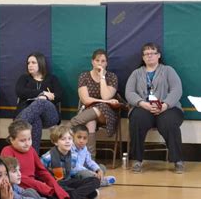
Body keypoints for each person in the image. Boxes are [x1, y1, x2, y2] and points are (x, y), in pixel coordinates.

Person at [125, 42, 185, 174]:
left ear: (158, 55)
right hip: (144, 108)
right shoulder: (136, 73)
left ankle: (177, 160)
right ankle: (137, 160)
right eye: (146, 54)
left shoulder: (168, 70)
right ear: (143, 57)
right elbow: (129, 92)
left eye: (152, 53)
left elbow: (176, 90)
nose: (149, 56)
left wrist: (164, 105)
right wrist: (142, 103)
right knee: (137, 119)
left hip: (167, 108)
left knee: (169, 122)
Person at [0, 119, 70, 199]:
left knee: (65, 197)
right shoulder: (7, 151)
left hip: (36, 187)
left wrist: (58, 190)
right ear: (12, 140)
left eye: (29, 139)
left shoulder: (31, 150)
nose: (27, 143)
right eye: (22, 140)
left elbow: (42, 171)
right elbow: (15, 177)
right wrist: (42, 186)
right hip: (22, 190)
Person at [70, 49, 119, 158]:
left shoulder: (112, 77)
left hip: (106, 113)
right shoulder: (84, 76)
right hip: (88, 110)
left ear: (106, 63)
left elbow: (106, 96)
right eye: (97, 60)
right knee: (90, 121)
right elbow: (86, 100)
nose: (100, 63)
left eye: (103, 61)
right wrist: (105, 101)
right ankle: (91, 158)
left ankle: (73, 123)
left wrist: (102, 77)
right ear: (92, 62)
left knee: (101, 107)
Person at [15, 52, 63, 152]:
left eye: (33, 62)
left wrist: (44, 98)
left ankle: (15, 130)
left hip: (49, 116)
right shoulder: (24, 78)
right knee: (36, 120)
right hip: (29, 115)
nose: (30, 65)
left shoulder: (52, 79)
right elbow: (20, 92)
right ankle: (34, 158)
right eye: (28, 63)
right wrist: (42, 93)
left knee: (41, 102)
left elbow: (59, 95)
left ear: (41, 63)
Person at [41, 126, 100, 199]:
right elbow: (39, 173)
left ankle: (71, 196)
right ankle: (78, 194)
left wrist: (89, 174)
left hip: (67, 181)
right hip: (55, 184)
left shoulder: (74, 155)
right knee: (90, 192)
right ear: (55, 142)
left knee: (95, 181)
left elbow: (73, 172)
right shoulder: (47, 157)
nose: (67, 141)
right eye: (63, 139)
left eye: (70, 139)